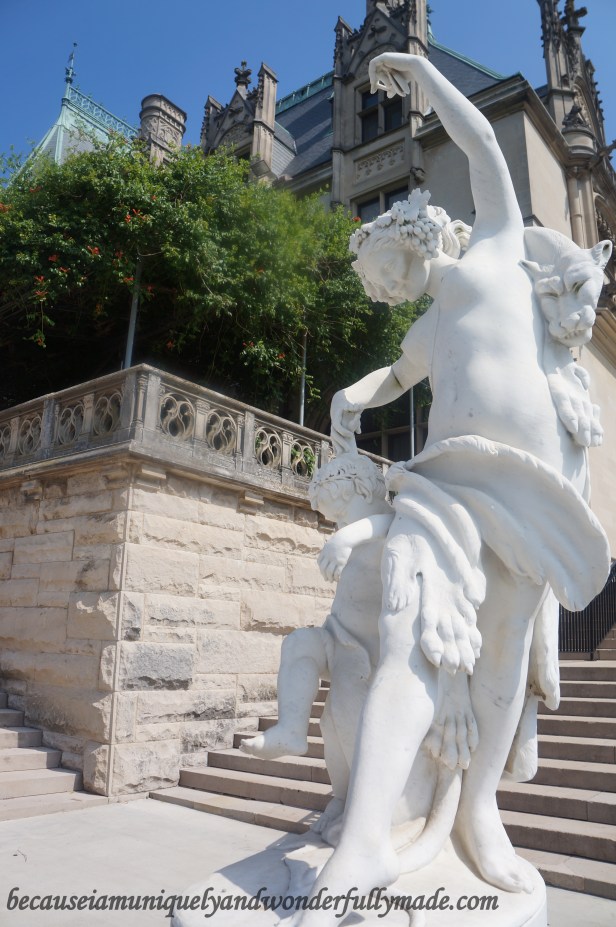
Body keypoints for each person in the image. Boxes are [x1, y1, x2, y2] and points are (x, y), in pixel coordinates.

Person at [293, 51, 611, 927]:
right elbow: (395, 378)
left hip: (528, 491)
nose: (383, 289)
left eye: (384, 269)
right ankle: (363, 838)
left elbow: (482, 148)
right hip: (445, 481)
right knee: (412, 636)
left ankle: (477, 810)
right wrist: (349, 396)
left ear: (415, 232)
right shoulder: (428, 331)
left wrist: (423, 79)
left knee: (503, 654)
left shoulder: (499, 249)